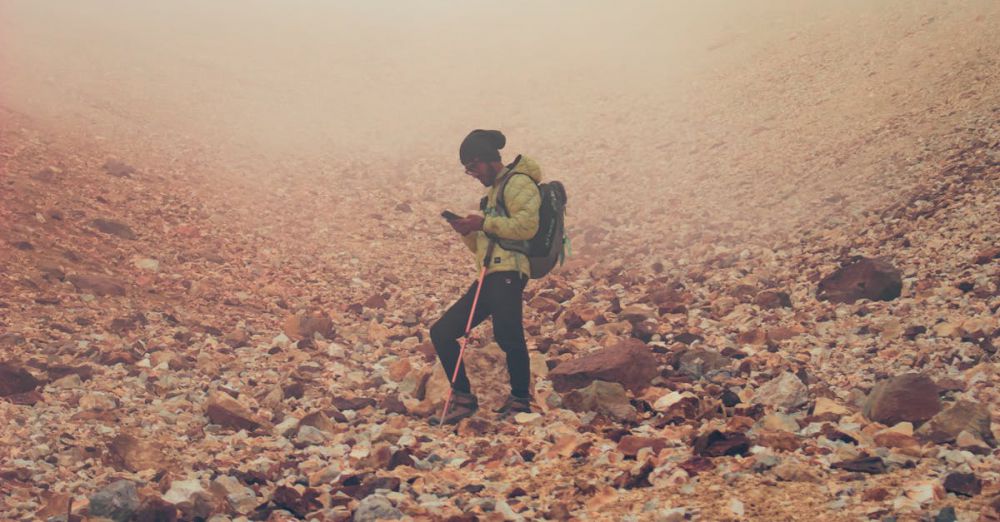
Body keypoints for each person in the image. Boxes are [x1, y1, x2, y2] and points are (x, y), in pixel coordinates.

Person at [430, 129, 542, 424]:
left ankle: (520, 401)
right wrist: (469, 231)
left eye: (473, 167)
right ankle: (464, 398)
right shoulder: (492, 194)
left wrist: (484, 223)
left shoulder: (519, 182)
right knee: (442, 332)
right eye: (468, 170)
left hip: (509, 272)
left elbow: (526, 227)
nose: (473, 174)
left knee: (509, 336)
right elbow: (486, 241)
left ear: (490, 160)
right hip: (490, 273)